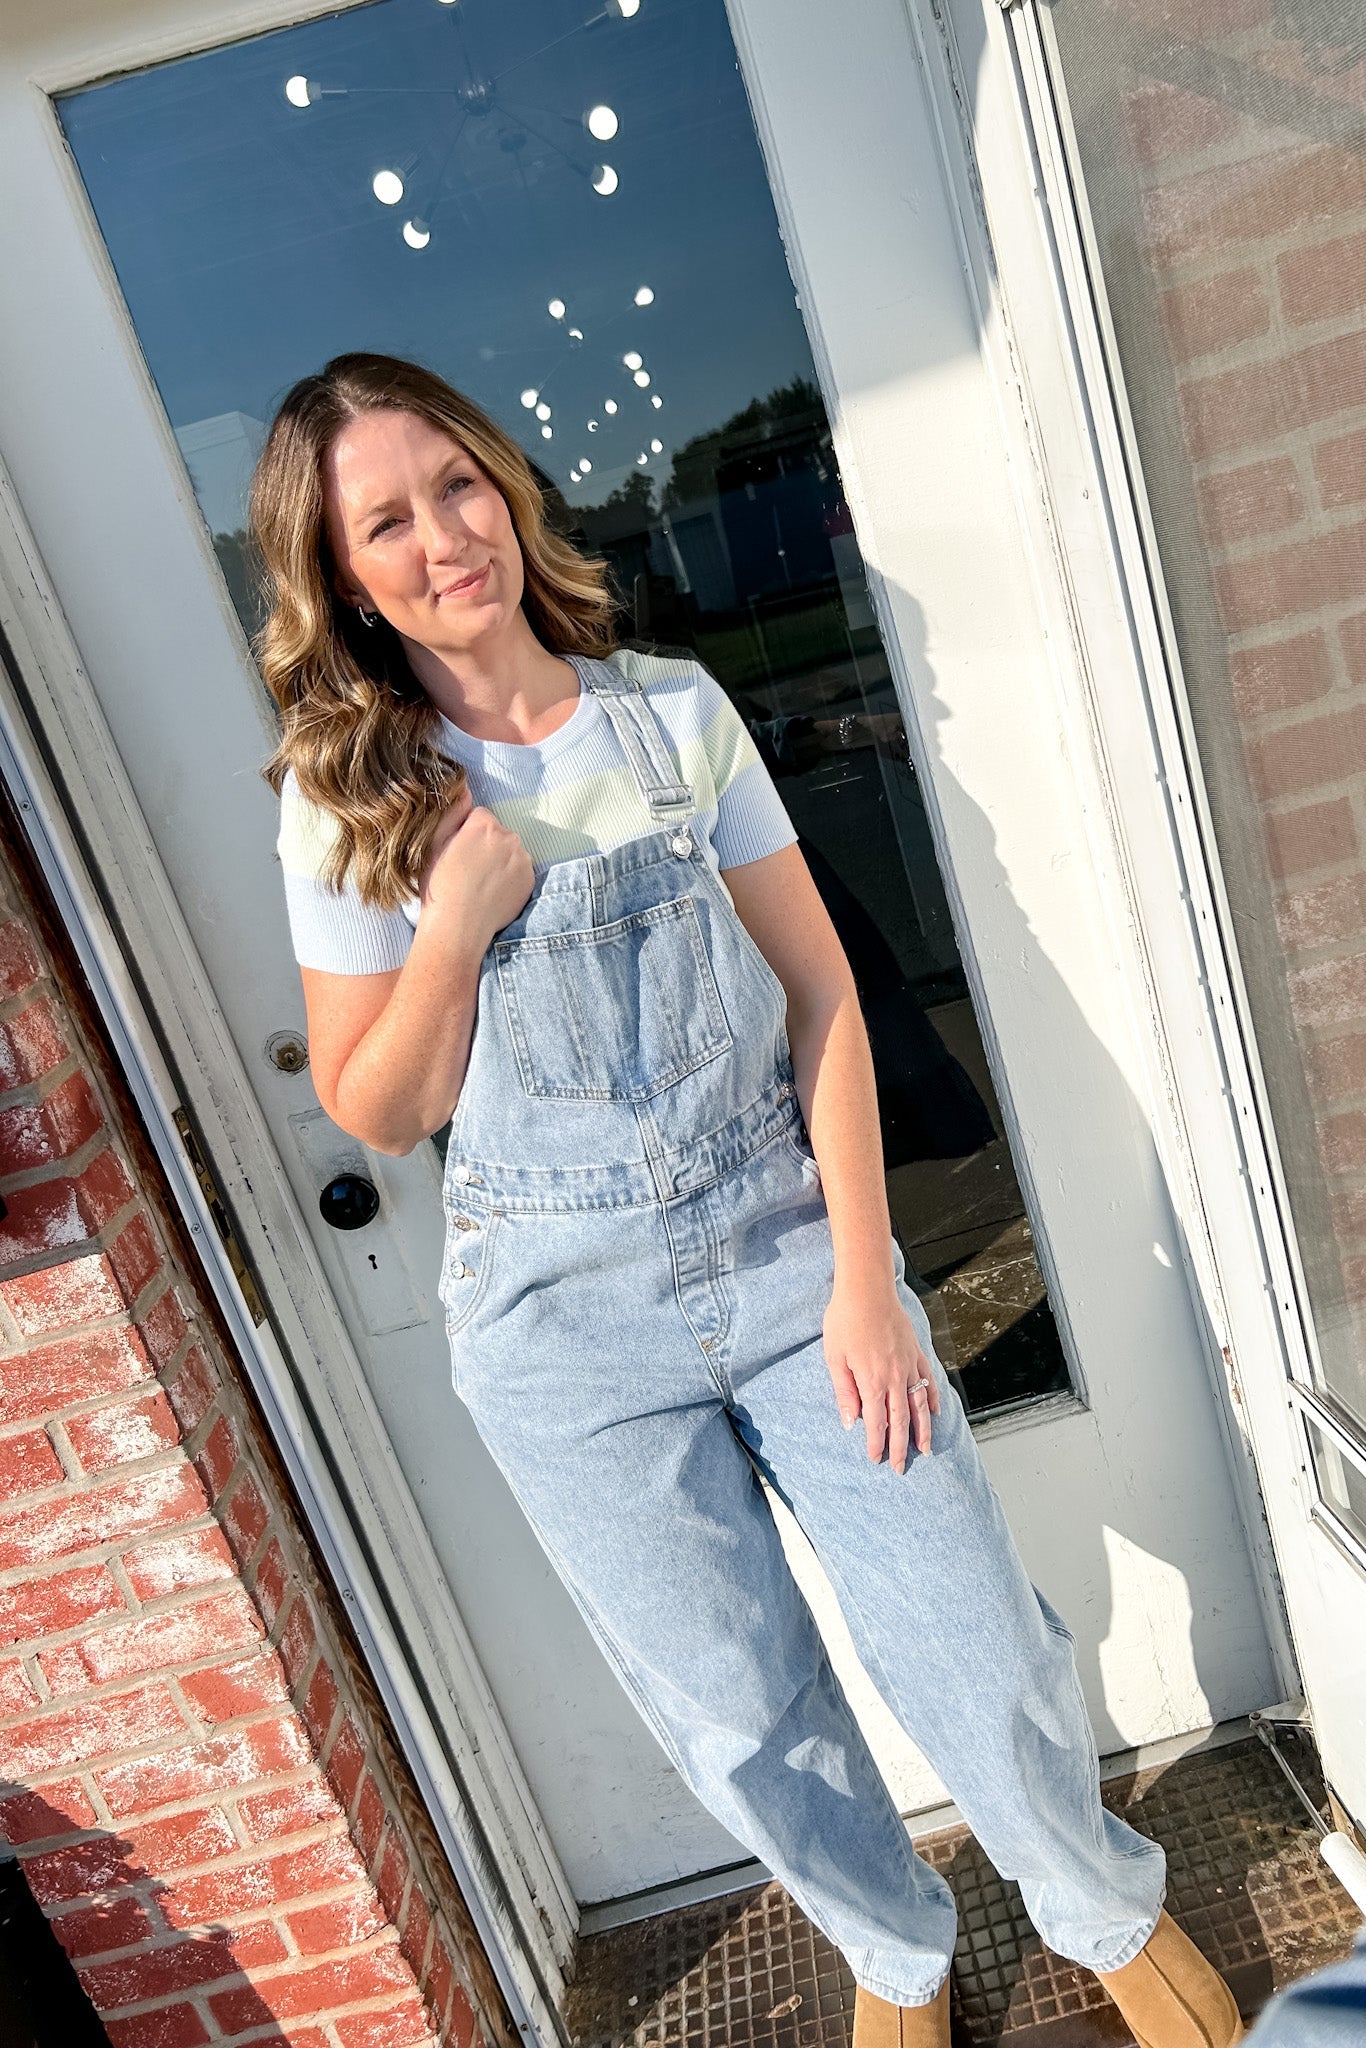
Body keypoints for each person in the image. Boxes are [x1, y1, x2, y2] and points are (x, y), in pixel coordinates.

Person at [254, 351, 1244, 2048]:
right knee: (738, 1709)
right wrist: (453, 923)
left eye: (458, 487)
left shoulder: (672, 715)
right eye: (387, 523)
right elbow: (385, 1104)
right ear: (343, 576)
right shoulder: (347, 799)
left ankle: (1093, 1905)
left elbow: (827, 1001)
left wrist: (867, 1281)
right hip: (561, 1333)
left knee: (965, 1630)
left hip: (788, 1255)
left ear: (505, 485)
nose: (442, 539)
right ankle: (894, 1957)